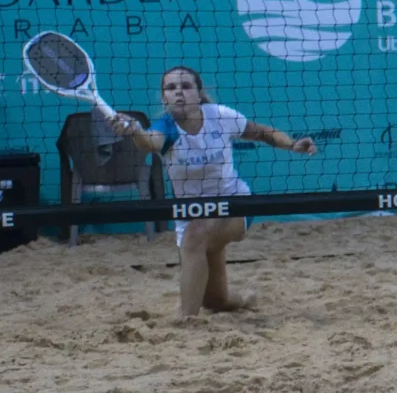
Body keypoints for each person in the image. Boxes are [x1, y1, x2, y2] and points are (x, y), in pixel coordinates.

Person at [108, 66, 314, 320]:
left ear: (199, 94)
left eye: (186, 86)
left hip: (235, 204)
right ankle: (245, 299)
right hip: (192, 213)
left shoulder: (220, 116)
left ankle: (185, 322)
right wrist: (136, 131)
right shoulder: (166, 127)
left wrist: (292, 144)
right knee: (216, 301)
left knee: (195, 237)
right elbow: (150, 142)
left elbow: (262, 132)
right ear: (164, 98)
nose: (178, 92)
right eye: (171, 88)